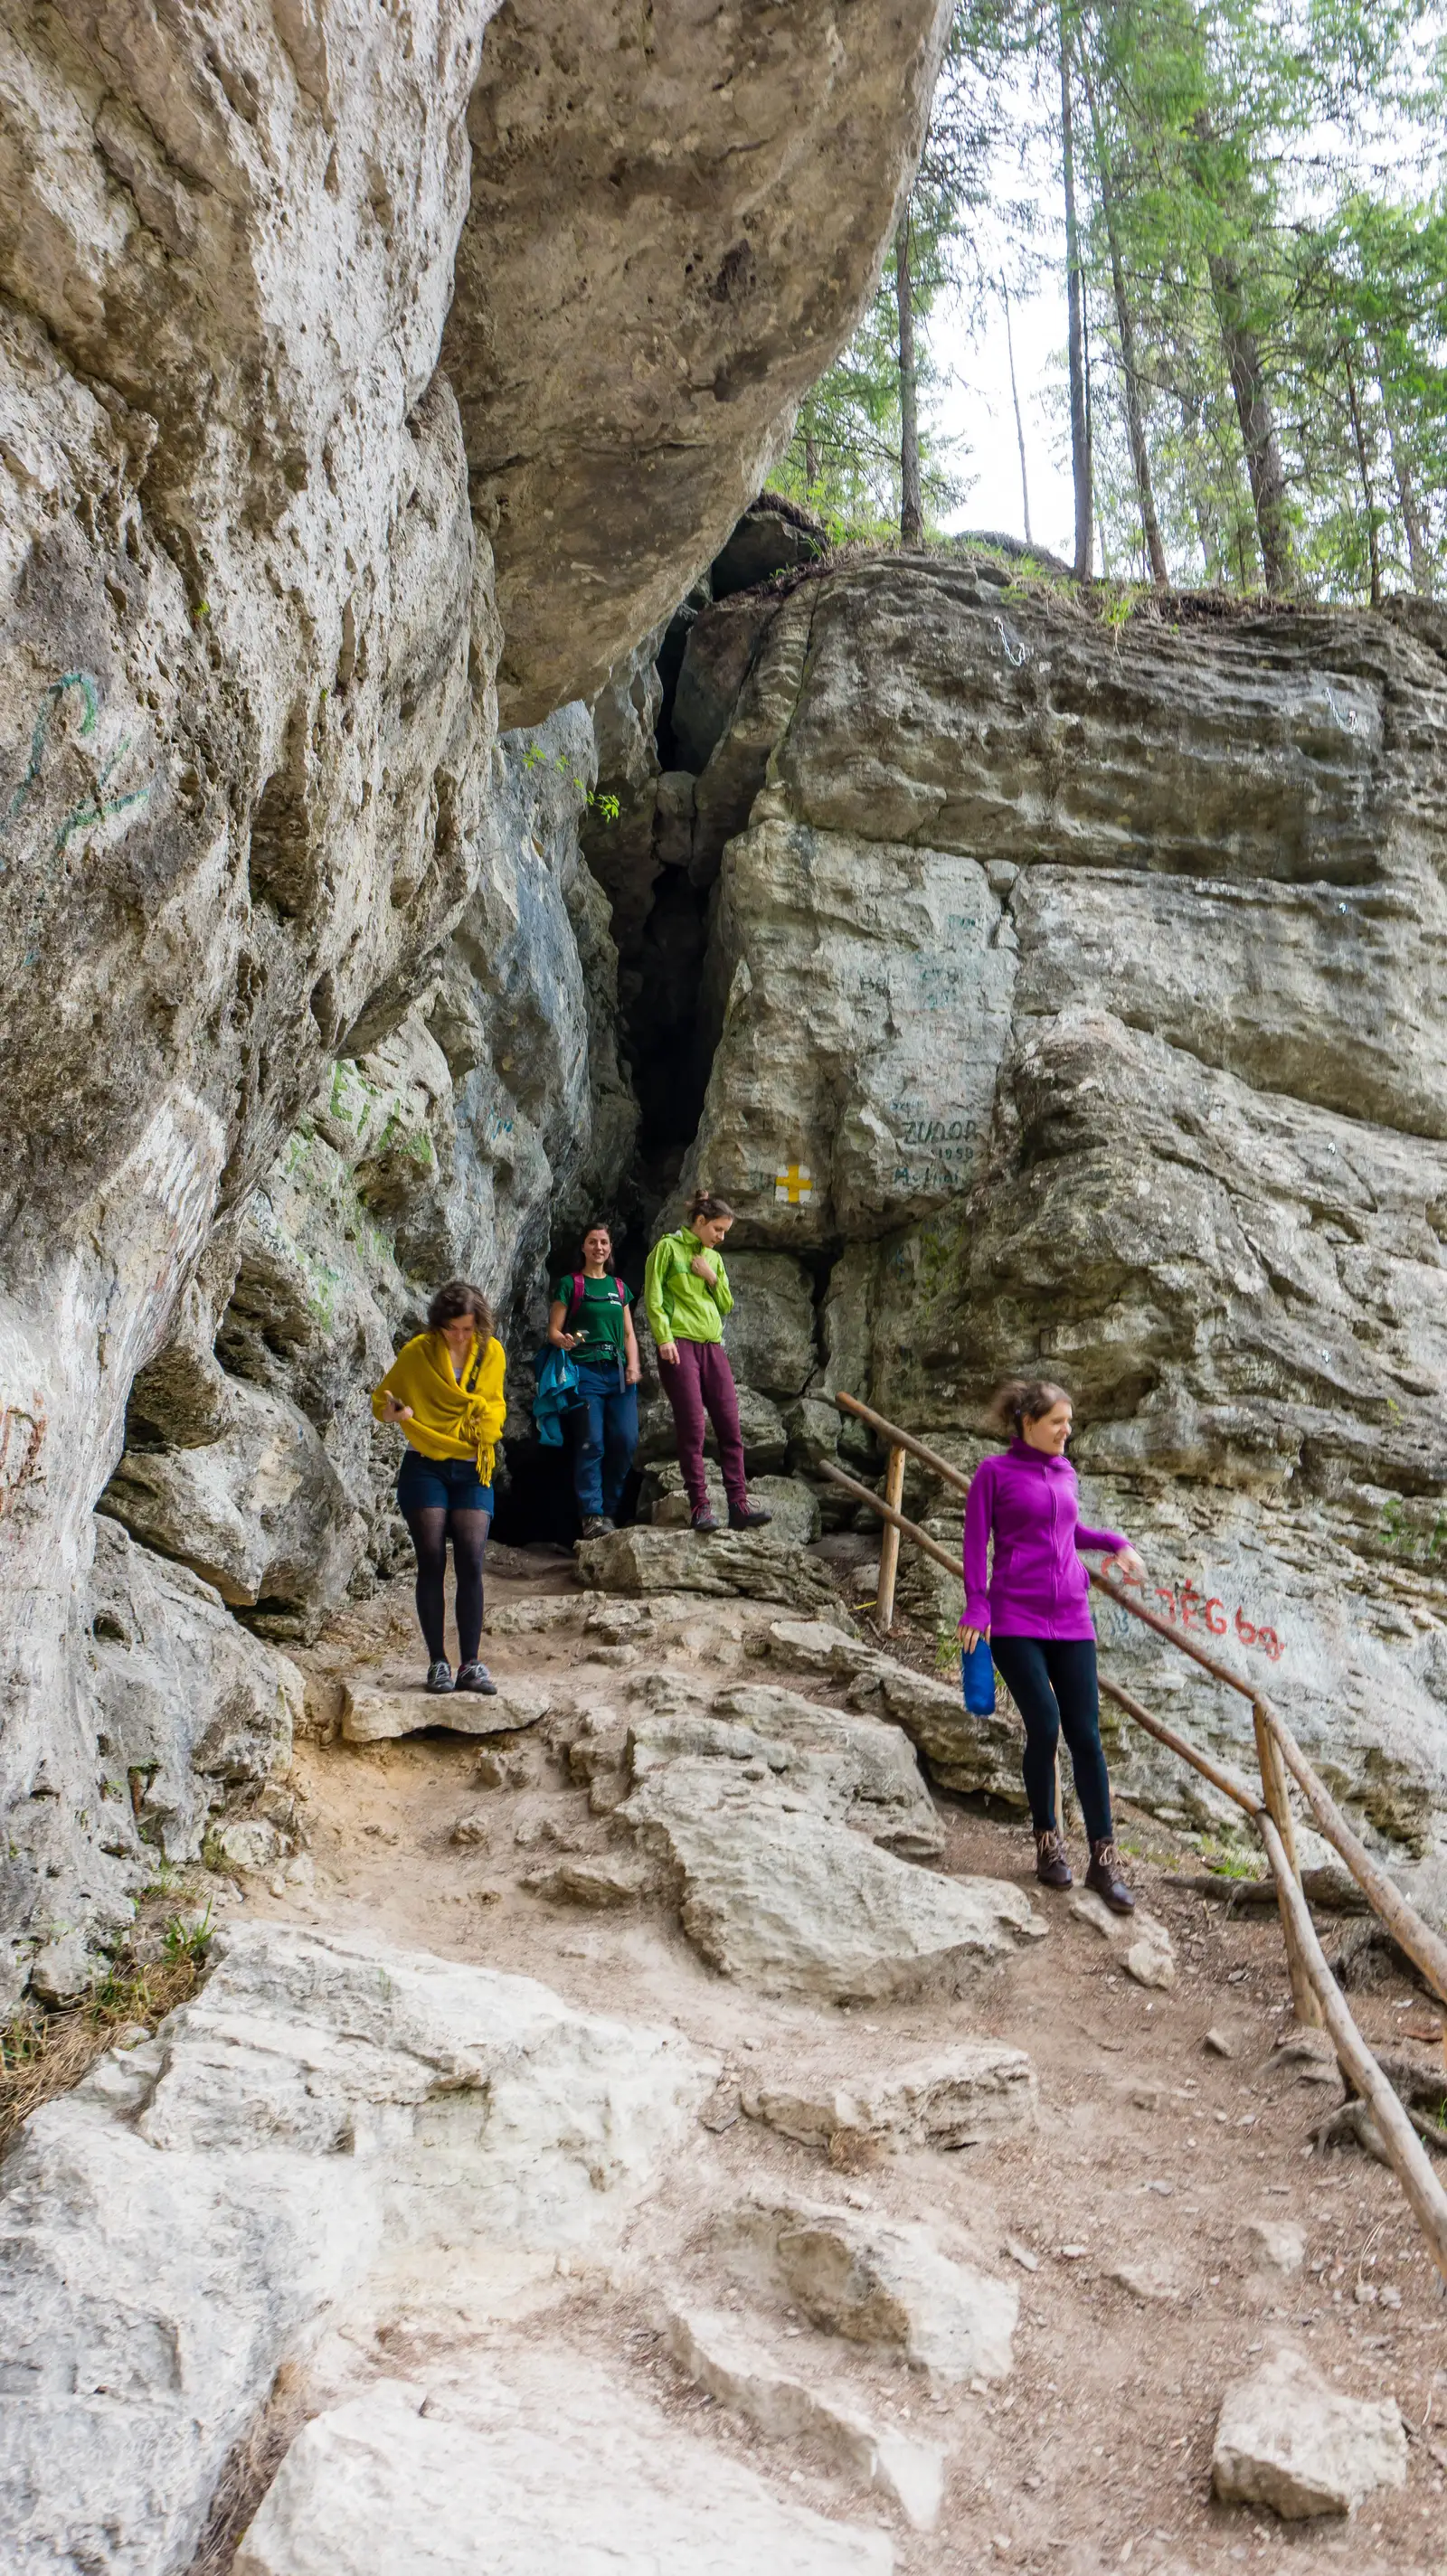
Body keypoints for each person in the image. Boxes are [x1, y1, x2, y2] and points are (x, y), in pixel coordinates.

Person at [960, 1378, 1144, 1910]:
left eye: (1069, 1421)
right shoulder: (992, 1474)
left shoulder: (1065, 1471)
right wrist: (978, 1604)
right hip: (1014, 1618)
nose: (1069, 1430)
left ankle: (1104, 1865)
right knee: (1044, 1723)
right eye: (1058, 1422)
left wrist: (1114, 1542)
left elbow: (1069, 1531)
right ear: (1027, 1424)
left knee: (1086, 1734)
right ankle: (1047, 1844)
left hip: (1072, 1617)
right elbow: (976, 1542)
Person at [372, 1280, 506, 1697]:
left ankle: (471, 1663)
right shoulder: (418, 1353)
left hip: (473, 1467)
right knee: (430, 1558)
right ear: (438, 1325)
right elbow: (382, 1402)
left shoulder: (492, 1352)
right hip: (425, 1465)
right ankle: (437, 1664)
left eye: (468, 1328)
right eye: (452, 1329)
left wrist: (479, 1421)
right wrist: (398, 1414)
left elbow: (495, 1408)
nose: (460, 1336)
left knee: (471, 1558)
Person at [643, 1188, 772, 1536]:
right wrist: (664, 1338)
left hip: (713, 1346)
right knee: (693, 1427)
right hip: (680, 1345)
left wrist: (710, 1276)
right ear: (700, 1222)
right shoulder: (667, 1249)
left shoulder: (714, 1259)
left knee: (730, 1424)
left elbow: (727, 1304)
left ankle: (738, 1505)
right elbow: (653, 1297)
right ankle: (700, 1507)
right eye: (717, 1229)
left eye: (725, 1231)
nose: (721, 1237)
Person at [547, 1218, 641, 1539]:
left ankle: (610, 1511)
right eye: (592, 1242)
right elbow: (553, 1331)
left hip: (618, 1372)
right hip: (584, 1370)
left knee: (626, 1441)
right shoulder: (571, 1285)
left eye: (603, 1242)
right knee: (593, 1443)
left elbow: (629, 1333)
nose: (598, 1247)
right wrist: (564, 1340)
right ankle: (592, 1515)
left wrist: (634, 1366)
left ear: (610, 1247)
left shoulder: (619, 1288)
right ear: (583, 1247)